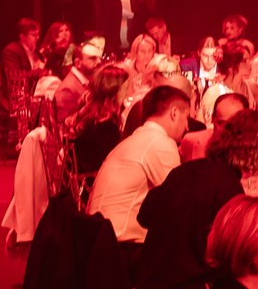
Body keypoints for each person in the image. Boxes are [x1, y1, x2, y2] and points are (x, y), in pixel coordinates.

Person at [136, 108, 258, 289]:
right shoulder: (228, 188)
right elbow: (230, 256)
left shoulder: (184, 171)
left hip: (149, 288)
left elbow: (144, 216)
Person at [85, 86, 198, 244]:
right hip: (120, 246)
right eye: (186, 118)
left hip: (96, 238)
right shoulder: (160, 143)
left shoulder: (131, 141)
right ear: (174, 113)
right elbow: (180, 203)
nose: (187, 127)